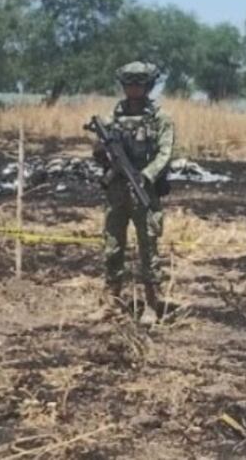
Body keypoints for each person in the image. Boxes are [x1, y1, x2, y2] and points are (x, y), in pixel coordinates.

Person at [92, 62, 174, 321]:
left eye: (139, 83)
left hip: (145, 191)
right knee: (112, 247)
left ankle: (150, 304)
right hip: (117, 190)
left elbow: (165, 152)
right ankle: (111, 302)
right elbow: (99, 150)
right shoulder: (111, 117)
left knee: (148, 247)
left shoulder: (160, 118)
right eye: (129, 84)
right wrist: (102, 154)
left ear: (148, 86)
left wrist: (146, 175)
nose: (133, 89)